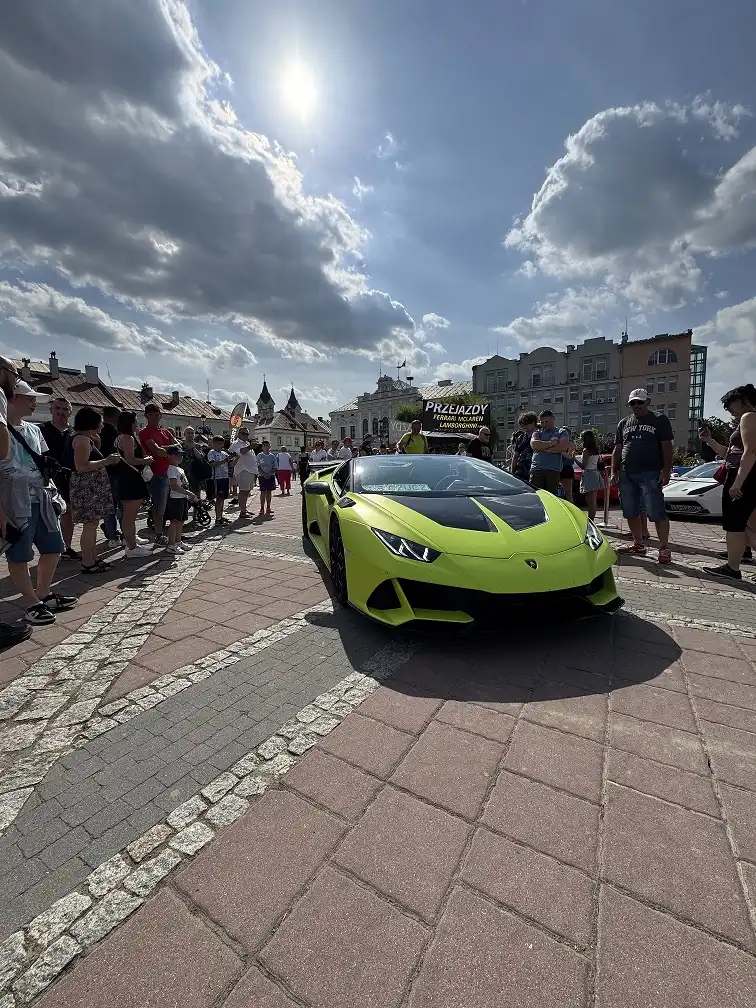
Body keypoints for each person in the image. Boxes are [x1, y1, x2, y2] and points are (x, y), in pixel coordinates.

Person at [1, 382, 76, 625]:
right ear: (11, 399)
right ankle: (32, 602)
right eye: (28, 397)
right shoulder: (2, 429)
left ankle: (43, 593)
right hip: (14, 498)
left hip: (41, 496)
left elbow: (41, 461)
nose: (34, 402)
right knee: (19, 554)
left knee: (54, 547)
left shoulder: (34, 430)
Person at [610, 389, 674, 563]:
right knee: (630, 510)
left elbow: (666, 446)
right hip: (626, 472)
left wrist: (666, 470)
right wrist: (613, 470)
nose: (636, 405)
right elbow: (618, 447)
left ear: (647, 402)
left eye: (639, 402)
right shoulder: (624, 423)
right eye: (633, 403)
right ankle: (638, 544)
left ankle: (664, 547)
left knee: (656, 511)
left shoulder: (659, 420)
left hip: (651, 472)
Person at [700, 384, 756, 580]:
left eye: (730, 404)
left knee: (736, 525)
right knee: (747, 526)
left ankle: (732, 568)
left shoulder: (749, 417)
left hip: (745, 477)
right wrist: (710, 441)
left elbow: (750, 452)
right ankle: (734, 564)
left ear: (744, 400)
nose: (728, 409)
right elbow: (730, 454)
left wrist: (738, 481)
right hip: (747, 475)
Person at [68, 408, 120, 573]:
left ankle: (92, 557)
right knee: (90, 525)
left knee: (93, 524)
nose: (102, 424)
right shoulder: (82, 439)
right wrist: (106, 461)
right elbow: (81, 466)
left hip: (90, 486)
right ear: (91, 423)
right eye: (100, 421)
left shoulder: (84, 438)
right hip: (87, 487)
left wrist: (96, 445)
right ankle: (88, 562)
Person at [40, 396, 80, 560]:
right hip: (46, 478)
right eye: (58, 408)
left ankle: (66, 547)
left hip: (68, 478)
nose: (61, 412)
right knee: (46, 514)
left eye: (65, 409)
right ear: (52, 410)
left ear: (70, 412)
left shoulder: (74, 433)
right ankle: (48, 548)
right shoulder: (41, 429)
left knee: (67, 513)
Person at [113, 411, 153, 558]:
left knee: (128, 515)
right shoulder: (128, 438)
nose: (137, 424)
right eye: (135, 421)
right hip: (130, 478)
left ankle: (131, 539)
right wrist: (146, 460)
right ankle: (131, 547)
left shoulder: (119, 437)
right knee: (129, 516)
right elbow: (130, 459)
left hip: (124, 477)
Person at [138, 403, 178, 544]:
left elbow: (178, 448)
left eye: (156, 414)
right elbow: (157, 451)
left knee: (173, 505)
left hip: (171, 472)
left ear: (160, 415)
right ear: (146, 416)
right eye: (150, 414)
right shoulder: (145, 432)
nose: (154, 417)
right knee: (159, 507)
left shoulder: (166, 432)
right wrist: (169, 448)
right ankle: (158, 534)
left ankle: (173, 534)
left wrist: (165, 448)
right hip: (157, 474)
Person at [165, 446, 197, 555]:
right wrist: (188, 493)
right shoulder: (171, 469)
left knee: (181, 521)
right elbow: (174, 486)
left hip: (182, 498)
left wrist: (187, 494)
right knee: (174, 522)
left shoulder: (180, 469)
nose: (179, 457)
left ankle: (178, 542)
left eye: (181, 455)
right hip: (175, 499)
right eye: (176, 455)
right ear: (169, 456)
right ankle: (171, 544)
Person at [530, 410, 569, 494]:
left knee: (551, 496)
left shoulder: (561, 432)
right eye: (542, 422)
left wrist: (541, 448)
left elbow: (562, 447)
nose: (544, 424)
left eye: (546, 421)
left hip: (552, 470)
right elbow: (534, 444)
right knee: (536, 496)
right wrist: (552, 443)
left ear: (553, 419)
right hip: (536, 470)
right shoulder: (537, 432)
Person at [100, 405, 122, 547]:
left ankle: (112, 535)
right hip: (115, 473)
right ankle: (120, 534)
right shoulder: (115, 433)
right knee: (119, 506)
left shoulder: (98, 432)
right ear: (116, 418)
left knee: (108, 507)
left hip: (102, 472)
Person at [229, 427, 258, 518]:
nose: (246, 436)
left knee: (247, 492)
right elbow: (240, 452)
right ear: (239, 434)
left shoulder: (246, 443)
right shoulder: (237, 443)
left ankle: (244, 509)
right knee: (243, 491)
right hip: (244, 470)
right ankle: (242, 512)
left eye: (247, 434)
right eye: (244, 434)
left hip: (250, 470)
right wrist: (249, 447)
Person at [578, 430, 603, 521]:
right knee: (593, 499)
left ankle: (591, 520)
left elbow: (584, 466)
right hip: (595, 473)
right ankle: (591, 518)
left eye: (581, 438)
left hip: (589, 474)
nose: (580, 440)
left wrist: (574, 459)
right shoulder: (595, 449)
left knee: (590, 500)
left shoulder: (586, 450)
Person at [206, 435, 231, 526]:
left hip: (225, 477)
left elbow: (230, 463)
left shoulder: (224, 453)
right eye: (218, 444)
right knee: (219, 498)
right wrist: (224, 461)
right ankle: (218, 518)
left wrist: (236, 457)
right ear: (214, 444)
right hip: (217, 478)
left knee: (223, 498)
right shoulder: (211, 453)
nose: (221, 446)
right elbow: (213, 464)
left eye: (222, 444)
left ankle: (220, 515)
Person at [510, 412, 537, 483]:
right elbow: (515, 456)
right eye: (522, 424)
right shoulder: (521, 438)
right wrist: (512, 473)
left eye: (525, 423)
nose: (523, 426)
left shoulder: (539, 436)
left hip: (534, 470)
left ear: (533, 422)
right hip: (520, 470)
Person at [256, 440, 278, 518]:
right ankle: (262, 508)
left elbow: (275, 466)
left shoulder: (272, 456)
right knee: (263, 492)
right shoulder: (259, 455)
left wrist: (269, 473)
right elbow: (257, 466)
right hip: (262, 476)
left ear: (269, 447)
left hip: (270, 475)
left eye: (267, 445)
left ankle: (268, 507)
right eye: (264, 445)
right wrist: (263, 473)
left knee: (269, 492)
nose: (266, 447)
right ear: (262, 447)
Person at [560, 430, 577, 503]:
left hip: (567, 468)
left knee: (568, 492)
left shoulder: (571, 444)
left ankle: (572, 509)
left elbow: (570, 456)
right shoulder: (559, 443)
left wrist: (560, 451)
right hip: (558, 468)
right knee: (559, 492)